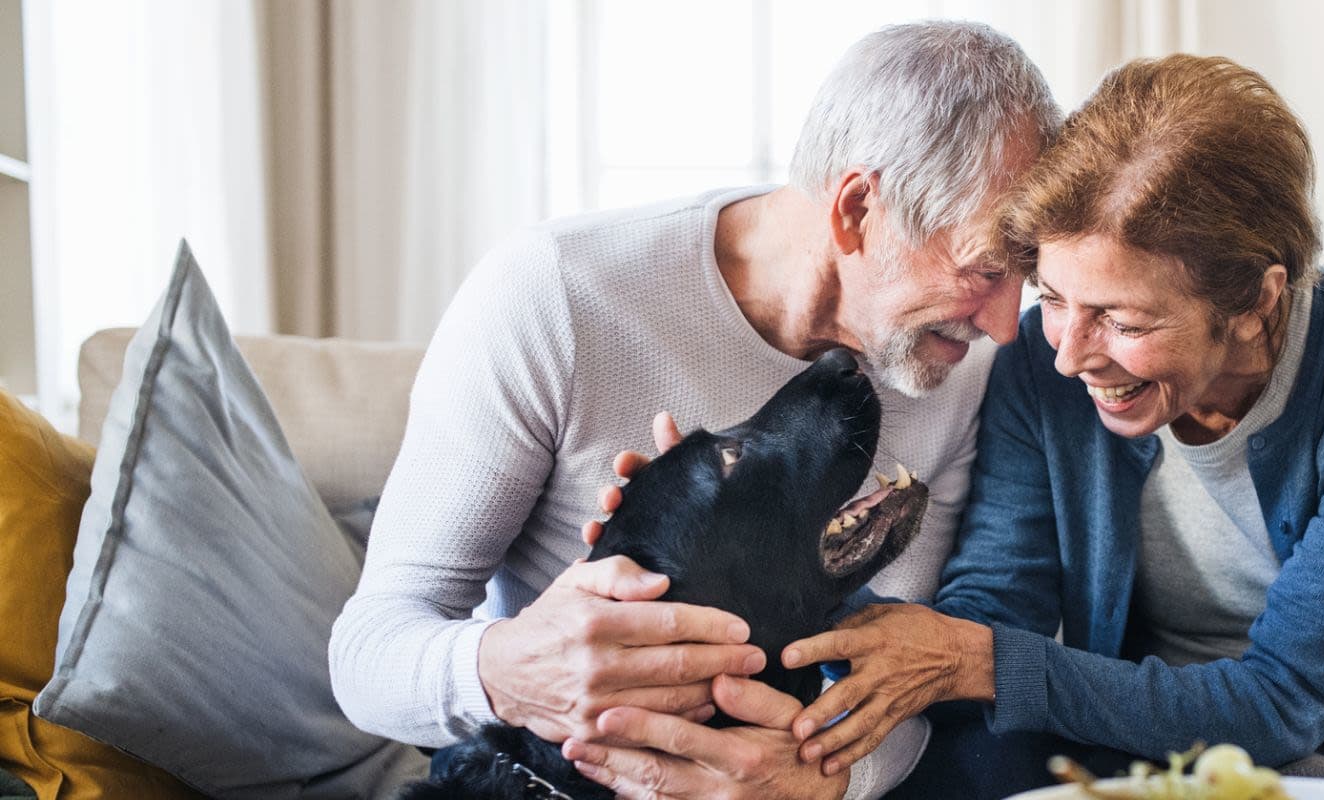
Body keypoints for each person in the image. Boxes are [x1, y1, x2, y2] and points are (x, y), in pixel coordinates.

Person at [724, 55, 1324, 800]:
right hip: (1167, 716)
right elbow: (994, 613)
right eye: (1055, 299)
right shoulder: (1037, 361)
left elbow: (1286, 700)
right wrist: (792, 573)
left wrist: (972, 656)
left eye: (1124, 322)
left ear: (1256, 301)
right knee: (962, 765)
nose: (1073, 356)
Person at [327, 21, 1061, 800]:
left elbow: (902, 684)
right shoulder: (556, 295)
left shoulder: (965, 366)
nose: (1004, 321)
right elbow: (367, 658)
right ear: (856, 209)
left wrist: (827, 782)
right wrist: (511, 670)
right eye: (983, 270)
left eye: (1027, 274)